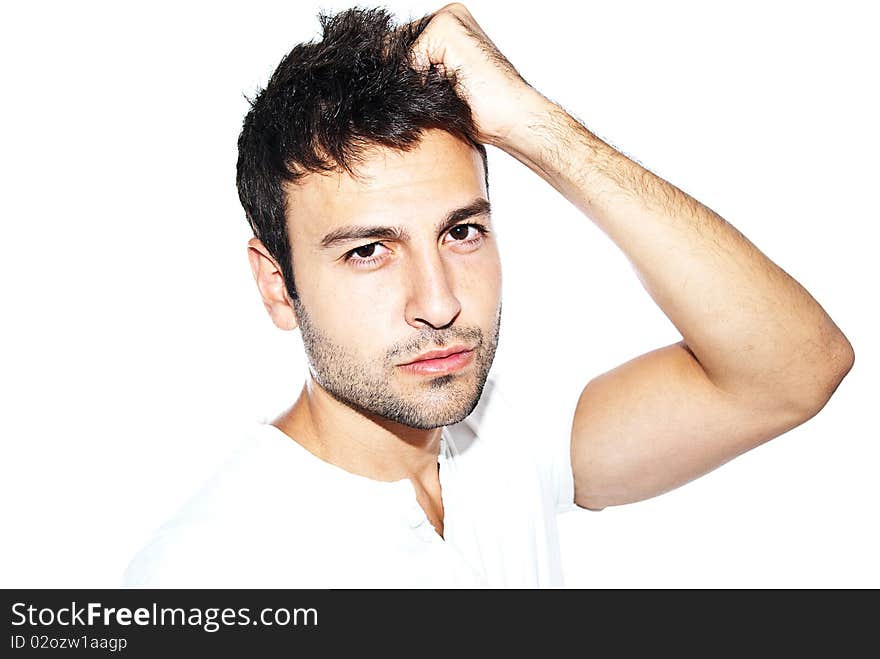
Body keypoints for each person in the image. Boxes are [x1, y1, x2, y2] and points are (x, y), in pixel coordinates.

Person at [123, 4, 853, 588]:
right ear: (277, 285)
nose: (438, 303)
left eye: (461, 232)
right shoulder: (210, 572)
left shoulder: (504, 441)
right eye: (369, 250)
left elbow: (794, 369)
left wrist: (530, 123)